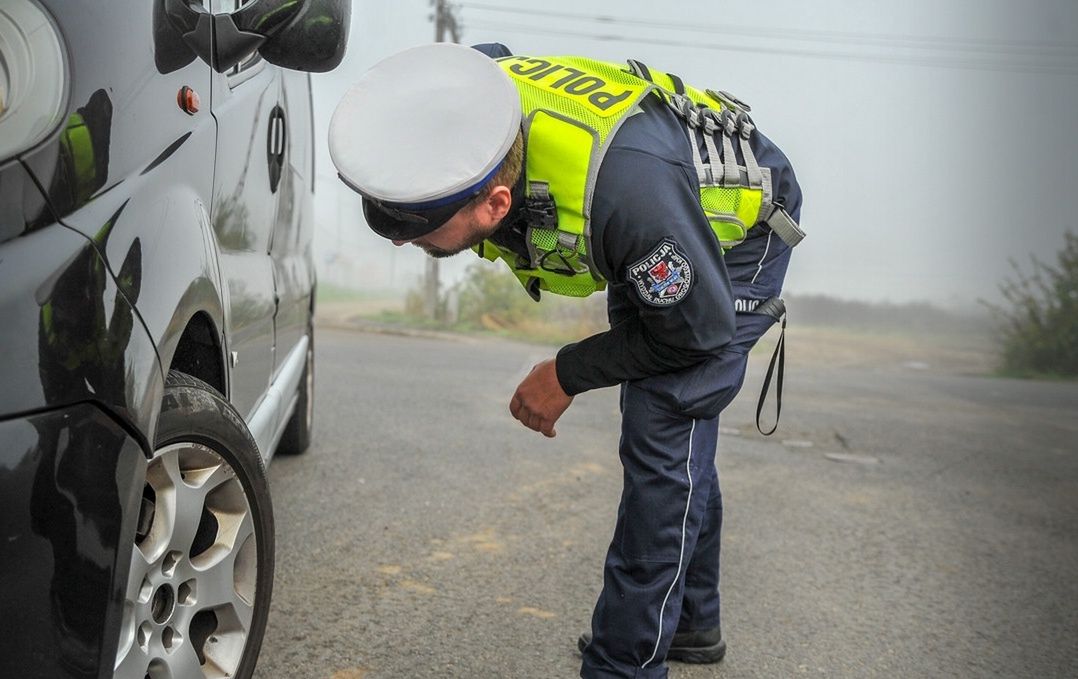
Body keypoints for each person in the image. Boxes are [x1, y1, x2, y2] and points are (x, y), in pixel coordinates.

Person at [329, 41, 804, 679]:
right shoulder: (478, 101)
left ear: (495, 205)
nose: (409, 244)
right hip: (662, 207)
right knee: (672, 429)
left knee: (664, 421)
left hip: (741, 228)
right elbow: (476, 61)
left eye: (421, 234)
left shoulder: (625, 198)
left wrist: (565, 373)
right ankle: (693, 619)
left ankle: (623, 667)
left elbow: (696, 331)